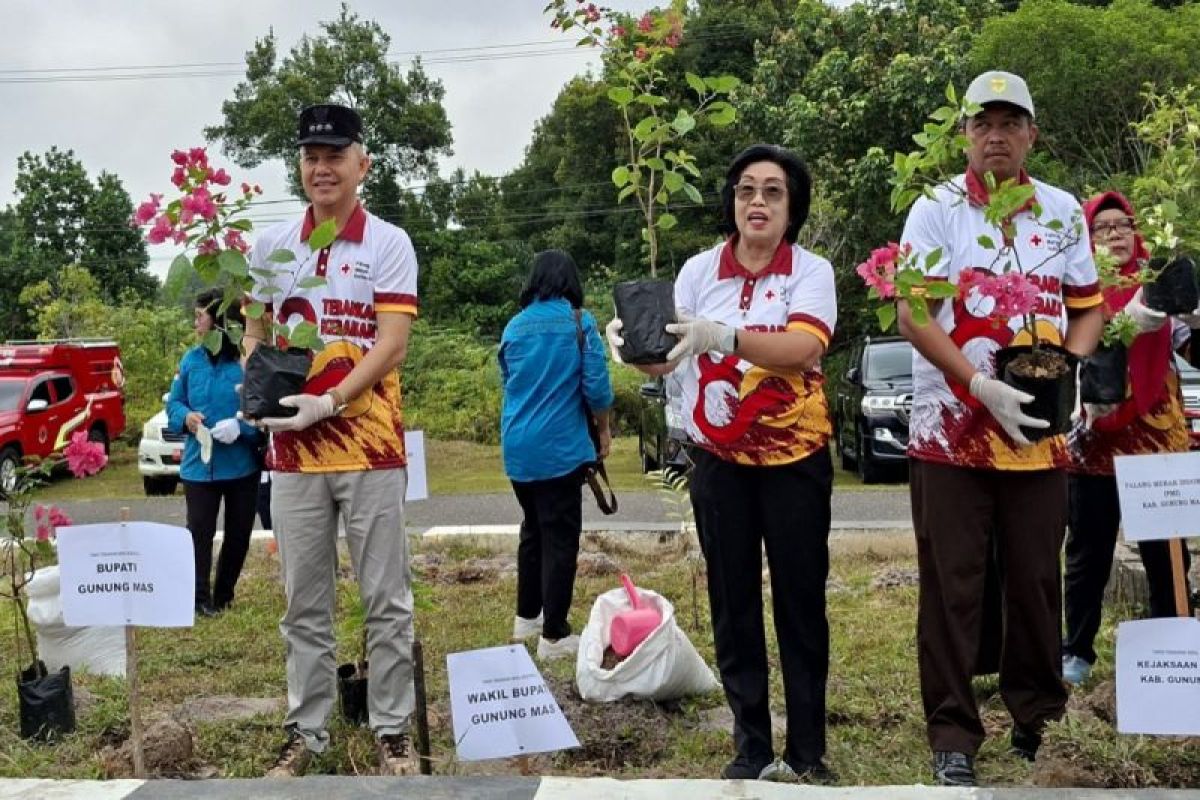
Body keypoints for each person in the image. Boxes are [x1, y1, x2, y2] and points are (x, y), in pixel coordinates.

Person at [897, 71, 1104, 786]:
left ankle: (1038, 716)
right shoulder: (936, 209)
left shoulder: (1061, 211)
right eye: (982, 123)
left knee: (1036, 581)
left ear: (1031, 135)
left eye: (1010, 123)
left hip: (1038, 437)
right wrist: (977, 382)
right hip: (949, 433)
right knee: (951, 585)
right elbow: (914, 314)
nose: (995, 136)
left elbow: (1088, 305)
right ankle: (953, 732)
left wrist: (1069, 365)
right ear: (964, 133)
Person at [607, 144, 838, 784]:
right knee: (732, 602)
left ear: (792, 206)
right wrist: (631, 345)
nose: (757, 201)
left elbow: (802, 347)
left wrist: (725, 336)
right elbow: (667, 357)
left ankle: (808, 750)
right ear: (731, 202)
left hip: (795, 461)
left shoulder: (810, 271)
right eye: (745, 190)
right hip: (717, 462)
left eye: (773, 191)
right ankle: (751, 744)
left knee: (799, 600)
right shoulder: (698, 272)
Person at [242, 103, 421, 778]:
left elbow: (392, 344)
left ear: (361, 164)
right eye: (311, 157)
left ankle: (392, 729)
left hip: (370, 448)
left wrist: (332, 400)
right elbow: (255, 332)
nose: (322, 168)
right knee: (303, 604)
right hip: (292, 455)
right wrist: (256, 384)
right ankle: (306, 732)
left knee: (386, 600)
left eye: (335, 156)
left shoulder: (387, 243)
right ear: (300, 165)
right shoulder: (271, 248)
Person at [1063, 191, 1197, 685]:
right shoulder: (1077, 289)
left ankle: (1175, 650)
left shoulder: (1157, 280)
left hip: (1158, 442)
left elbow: (1192, 348)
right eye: (1103, 227)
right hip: (1096, 439)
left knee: (1168, 552)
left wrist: (1194, 314)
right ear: (1087, 238)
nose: (1115, 234)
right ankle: (1076, 651)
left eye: (1123, 225)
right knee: (1088, 551)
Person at [499, 250, 614, 661]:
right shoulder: (579, 322)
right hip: (560, 449)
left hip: (517, 448)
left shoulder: (514, 326)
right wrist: (603, 429)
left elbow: (509, 381)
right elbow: (597, 388)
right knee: (561, 538)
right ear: (570, 282)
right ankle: (554, 634)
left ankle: (526, 618)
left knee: (533, 529)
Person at [167, 289, 263, 617]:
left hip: (241, 466)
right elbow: (174, 403)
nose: (195, 323)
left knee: (238, 535)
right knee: (199, 534)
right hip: (199, 467)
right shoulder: (190, 360)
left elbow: (262, 410)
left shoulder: (245, 362)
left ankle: (224, 596)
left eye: (200, 317)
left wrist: (242, 427)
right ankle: (198, 599)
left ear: (220, 321)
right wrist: (186, 417)